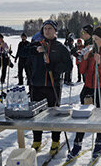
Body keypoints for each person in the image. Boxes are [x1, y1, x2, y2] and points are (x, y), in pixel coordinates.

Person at [23, 20, 72, 154]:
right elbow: (23, 52)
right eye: (45, 29)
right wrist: (35, 50)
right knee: (36, 115)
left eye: (50, 28)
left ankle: (55, 140)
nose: (47, 31)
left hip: (53, 86)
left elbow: (68, 65)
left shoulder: (60, 47)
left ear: (55, 31)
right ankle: (37, 140)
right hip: (36, 85)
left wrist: (55, 69)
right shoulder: (37, 44)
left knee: (55, 114)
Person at [68, 27, 101, 160]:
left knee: (100, 118)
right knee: (82, 117)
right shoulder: (89, 51)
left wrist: (100, 63)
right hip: (88, 88)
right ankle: (77, 144)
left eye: (96, 39)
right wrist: (83, 59)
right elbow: (82, 70)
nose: (93, 42)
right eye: (93, 39)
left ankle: (99, 143)